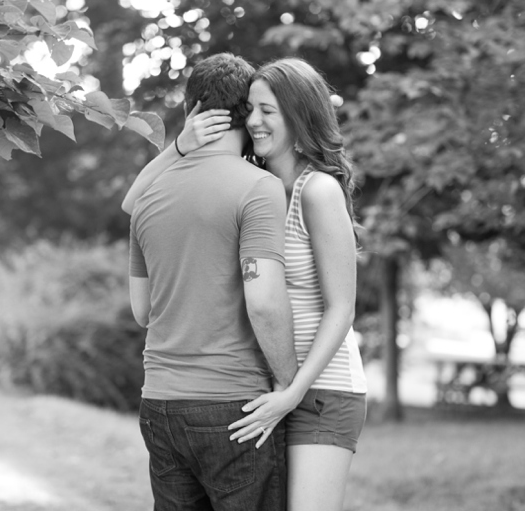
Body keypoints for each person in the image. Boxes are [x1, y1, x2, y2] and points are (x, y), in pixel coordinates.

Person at [124, 57, 367, 511]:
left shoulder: (318, 191)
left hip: (318, 388)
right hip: (270, 386)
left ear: (300, 115)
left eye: (268, 111)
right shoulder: (259, 184)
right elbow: (133, 204)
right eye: (249, 109)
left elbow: (342, 309)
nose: (252, 120)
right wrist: (178, 146)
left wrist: (292, 390)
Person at [128, 52, 299, 510]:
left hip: (159, 403)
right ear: (248, 113)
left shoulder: (146, 197)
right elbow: (263, 301)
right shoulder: (259, 188)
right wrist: (288, 387)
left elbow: (142, 312)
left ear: (190, 113)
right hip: (233, 406)